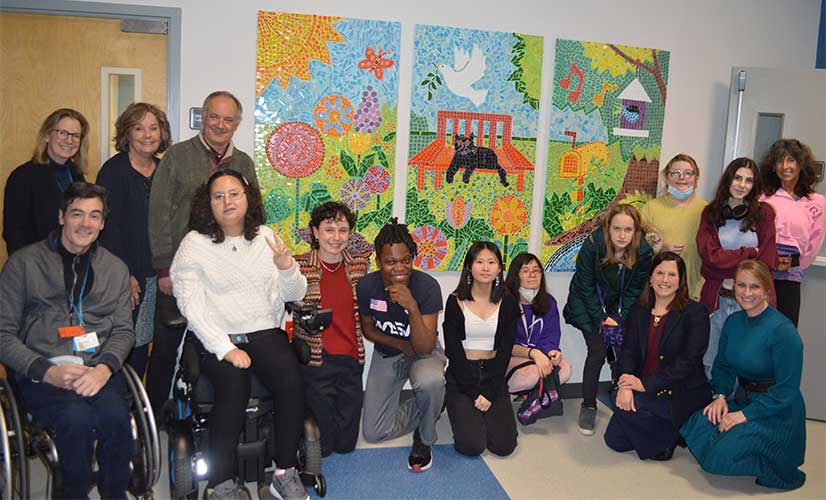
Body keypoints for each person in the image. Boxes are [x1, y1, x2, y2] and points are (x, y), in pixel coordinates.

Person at [170, 169, 308, 500]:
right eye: (219, 196)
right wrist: (224, 348)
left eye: (234, 194)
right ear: (208, 204)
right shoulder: (194, 244)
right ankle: (222, 483)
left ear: (247, 198)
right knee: (234, 385)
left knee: (291, 378)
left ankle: (284, 472)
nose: (227, 201)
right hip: (217, 334)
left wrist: (286, 266)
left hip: (262, 330)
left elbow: (294, 293)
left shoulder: (265, 237)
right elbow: (190, 305)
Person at [0, 182, 135, 499]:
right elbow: (3, 333)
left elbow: (124, 331)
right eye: (77, 214)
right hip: (42, 369)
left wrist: (103, 370)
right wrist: (46, 371)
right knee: (76, 420)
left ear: (102, 223)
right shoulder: (23, 264)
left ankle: (113, 493)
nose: (85, 224)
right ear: (61, 217)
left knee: (118, 419)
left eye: (94, 216)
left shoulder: (115, 269)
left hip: (96, 367)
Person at [146, 90, 259, 416]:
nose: (220, 125)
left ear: (237, 123)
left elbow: (254, 215)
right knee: (167, 347)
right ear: (202, 118)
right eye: (214, 117)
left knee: (216, 342)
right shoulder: (177, 157)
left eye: (228, 119)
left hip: (226, 273)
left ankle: (206, 411)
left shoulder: (243, 163)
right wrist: (164, 268)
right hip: (182, 271)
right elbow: (159, 213)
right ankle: (153, 415)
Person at [680, 260, 806, 490]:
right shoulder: (733, 322)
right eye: (741, 285)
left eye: (755, 287)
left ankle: (771, 459)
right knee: (696, 425)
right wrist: (719, 396)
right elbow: (723, 366)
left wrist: (744, 416)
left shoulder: (784, 332)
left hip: (776, 411)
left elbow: (786, 391)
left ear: (767, 289)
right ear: (734, 286)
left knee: (719, 453)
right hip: (743, 398)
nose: (747, 293)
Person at [357, 218, 445, 472]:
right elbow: (368, 328)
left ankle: (425, 438)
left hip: (423, 350)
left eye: (405, 260)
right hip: (388, 352)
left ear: (413, 258)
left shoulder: (427, 286)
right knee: (374, 432)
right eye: (390, 261)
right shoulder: (366, 286)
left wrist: (412, 307)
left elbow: (426, 346)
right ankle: (433, 404)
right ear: (378, 262)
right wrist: (398, 343)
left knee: (430, 381)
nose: (399, 268)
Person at [604, 252, 710, 461]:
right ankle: (672, 433)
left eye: (672, 275)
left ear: (680, 281)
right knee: (614, 439)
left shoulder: (696, 313)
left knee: (626, 411)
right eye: (660, 273)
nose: (665, 280)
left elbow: (688, 362)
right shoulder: (639, 311)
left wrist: (645, 385)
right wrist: (625, 385)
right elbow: (629, 353)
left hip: (679, 390)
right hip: (643, 387)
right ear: (650, 279)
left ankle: (667, 436)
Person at [563, 204, 653, 436]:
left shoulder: (643, 252)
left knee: (624, 350)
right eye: (617, 229)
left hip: (618, 306)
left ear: (636, 231)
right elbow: (584, 285)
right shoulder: (593, 245)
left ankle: (622, 396)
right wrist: (602, 318)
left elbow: (634, 289)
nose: (622, 235)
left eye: (628, 229)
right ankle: (589, 405)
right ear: (608, 228)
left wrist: (618, 316)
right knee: (598, 350)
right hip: (587, 303)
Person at [97, 102, 172, 379]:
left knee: (159, 344)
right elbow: (106, 229)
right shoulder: (113, 172)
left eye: (153, 128)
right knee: (130, 342)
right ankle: (126, 407)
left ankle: (149, 408)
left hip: (160, 272)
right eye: (138, 128)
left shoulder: (165, 169)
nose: (147, 134)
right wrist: (124, 274)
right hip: (127, 273)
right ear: (126, 133)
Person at [293, 201, 370, 457]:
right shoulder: (298, 267)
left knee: (347, 446)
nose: (336, 237)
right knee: (323, 448)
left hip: (350, 358)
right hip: (317, 361)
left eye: (343, 230)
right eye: (328, 229)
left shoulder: (359, 266)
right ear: (315, 232)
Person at [696, 157, 778, 377]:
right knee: (711, 363)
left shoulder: (764, 214)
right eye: (738, 178)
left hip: (752, 301)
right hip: (718, 300)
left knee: (747, 363)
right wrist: (750, 254)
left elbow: (768, 261)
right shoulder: (710, 213)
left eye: (749, 180)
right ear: (728, 180)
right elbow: (709, 258)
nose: (742, 185)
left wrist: (725, 262)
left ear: (755, 185)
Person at [442, 242, 518, 457]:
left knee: (504, 447)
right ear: (469, 267)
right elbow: (454, 351)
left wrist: (489, 392)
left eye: (491, 262)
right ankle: (461, 408)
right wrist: (475, 393)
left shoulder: (509, 302)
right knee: (472, 446)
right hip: (462, 374)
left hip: (493, 373)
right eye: (480, 262)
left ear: (499, 269)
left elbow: (505, 351)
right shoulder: (455, 301)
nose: (486, 268)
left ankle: (485, 412)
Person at [759, 139, 826, 327]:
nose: (785, 166)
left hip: (791, 274)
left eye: (791, 160)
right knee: (758, 326)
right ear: (773, 166)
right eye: (780, 161)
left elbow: (815, 241)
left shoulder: (817, 202)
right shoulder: (762, 197)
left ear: (800, 164)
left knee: (785, 328)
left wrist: (796, 265)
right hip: (762, 268)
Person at [3, 108, 89, 255]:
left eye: (76, 135)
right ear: (47, 135)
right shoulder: (23, 176)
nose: (69, 140)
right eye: (62, 133)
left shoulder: (76, 175)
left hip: (71, 263)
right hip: (36, 265)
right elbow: (14, 233)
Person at [640, 153, 708, 299]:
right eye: (675, 173)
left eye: (688, 173)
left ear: (696, 180)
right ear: (666, 177)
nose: (681, 178)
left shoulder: (706, 210)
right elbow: (637, 244)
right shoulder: (651, 208)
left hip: (693, 289)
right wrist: (660, 247)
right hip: (657, 290)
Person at [503, 252, 572, 394]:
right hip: (510, 358)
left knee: (565, 369)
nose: (532, 275)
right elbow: (504, 344)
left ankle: (532, 400)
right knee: (533, 374)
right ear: (515, 275)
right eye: (525, 271)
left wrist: (552, 352)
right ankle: (507, 395)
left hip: (538, 356)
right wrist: (534, 354)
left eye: (536, 270)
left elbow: (551, 336)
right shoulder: (505, 303)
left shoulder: (549, 302)